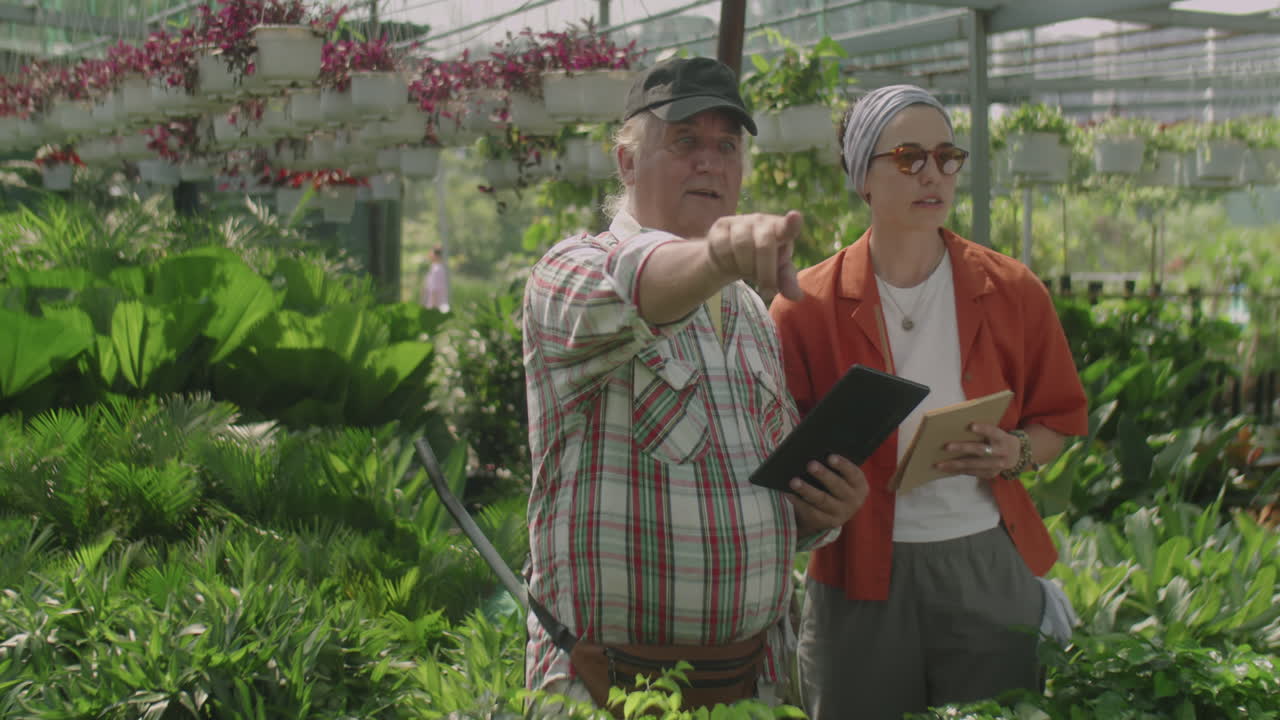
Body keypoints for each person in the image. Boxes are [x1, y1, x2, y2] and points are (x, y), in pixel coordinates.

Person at [521, 56, 870, 713]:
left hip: (747, 685)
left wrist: (815, 512)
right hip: (608, 689)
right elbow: (640, 283)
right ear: (627, 162)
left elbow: (761, 492)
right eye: (685, 142)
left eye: (727, 146)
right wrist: (716, 254)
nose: (710, 162)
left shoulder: (749, 316)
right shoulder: (569, 271)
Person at [768, 85, 1089, 720]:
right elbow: (778, 458)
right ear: (863, 176)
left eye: (947, 157)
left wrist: (1015, 450)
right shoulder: (804, 308)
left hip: (985, 565)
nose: (934, 174)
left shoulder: (1013, 291)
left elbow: (1059, 420)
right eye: (910, 157)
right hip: (855, 572)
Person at [420, 246, 449, 311]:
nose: (429, 255)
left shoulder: (436, 270)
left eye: (431, 253)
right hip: (438, 305)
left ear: (437, 256)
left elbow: (434, 289)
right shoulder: (436, 268)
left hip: (436, 307)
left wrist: (432, 308)